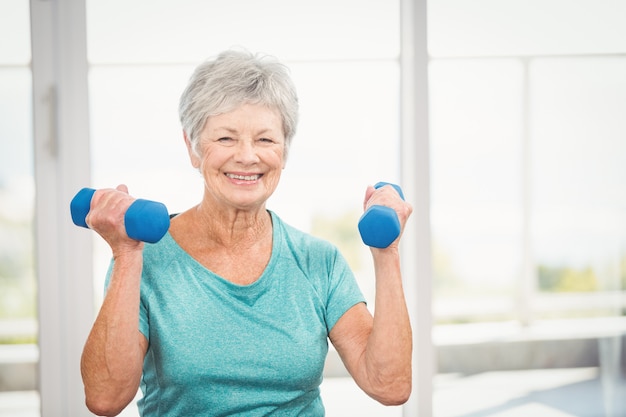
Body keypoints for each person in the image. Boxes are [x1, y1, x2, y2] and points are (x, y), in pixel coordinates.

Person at [80, 49, 413, 417]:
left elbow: (390, 385)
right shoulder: (146, 258)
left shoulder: (319, 261)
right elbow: (105, 399)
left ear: (284, 151)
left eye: (266, 140)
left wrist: (388, 254)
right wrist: (126, 255)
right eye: (225, 139)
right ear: (192, 147)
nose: (247, 156)